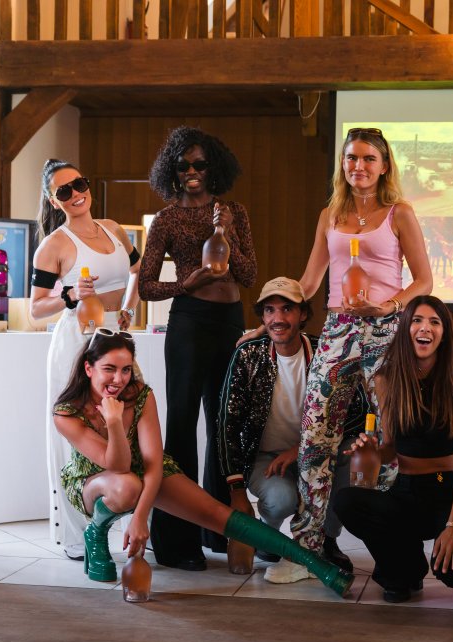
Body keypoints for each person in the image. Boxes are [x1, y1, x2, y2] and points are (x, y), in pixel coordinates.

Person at [243, 127, 433, 582]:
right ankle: (307, 552)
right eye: (351, 158)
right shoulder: (330, 214)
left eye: (368, 158)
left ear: (384, 166)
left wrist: (389, 306)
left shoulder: (400, 213)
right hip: (337, 331)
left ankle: (395, 552)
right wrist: (272, 315)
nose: (358, 166)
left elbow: (424, 280)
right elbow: (309, 283)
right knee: (315, 440)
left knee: (388, 441)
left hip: (386, 332)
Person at [52, 331, 353, 597]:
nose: (119, 380)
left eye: (126, 370)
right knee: (127, 485)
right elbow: (117, 465)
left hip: (144, 470)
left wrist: (141, 517)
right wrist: (114, 422)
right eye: (109, 369)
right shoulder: (67, 413)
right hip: (94, 480)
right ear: (89, 368)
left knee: (216, 513)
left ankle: (316, 565)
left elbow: (153, 463)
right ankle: (96, 531)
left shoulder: (140, 395)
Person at [139, 126, 257, 570]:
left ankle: (219, 529)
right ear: (171, 171)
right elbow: (146, 286)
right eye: (183, 164)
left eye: (200, 164)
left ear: (214, 168)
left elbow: (249, 274)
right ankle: (176, 541)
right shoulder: (167, 220)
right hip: (188, 322)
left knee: (224, 424)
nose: (191, 171)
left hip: (229, 321)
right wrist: (184, 285)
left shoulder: (234, 212)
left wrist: (226, 231)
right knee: (183, 425)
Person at [333, 295, 453, 603]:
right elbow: (391, 449)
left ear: (444, 333)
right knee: (347, 501)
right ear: (406, 328)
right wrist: (372, 452)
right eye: (417, 320)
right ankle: (405, 569)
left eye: (435, 322)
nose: (425, 328)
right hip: (406, 489)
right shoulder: (386, 378)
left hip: (447, 489)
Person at [30, 158, 141, 560]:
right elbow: (35, 309)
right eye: (64, 191)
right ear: (53, 200)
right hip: (77, 340)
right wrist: (70, 295)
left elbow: (138, 268)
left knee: (124, 424)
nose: (76, 194)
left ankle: (127, 523)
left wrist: (129, 306)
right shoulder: (54, 245)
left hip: (115, 336)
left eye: (80, 184)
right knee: (78, 431)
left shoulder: (113, 229)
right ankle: (78, 535)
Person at [218, 277, 366, 576]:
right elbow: (227, 423)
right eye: (269, 310)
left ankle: (327, 540)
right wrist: (236, 490)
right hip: (266, 457)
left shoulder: (326, 355)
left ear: (303, 314)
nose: (278, 318)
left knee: (354, 452)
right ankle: (268, 537)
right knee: (281, 500)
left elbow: (357, 411)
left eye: (287, 309)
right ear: (262, 317)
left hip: (317, 451)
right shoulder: (248, 355)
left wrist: (301, 449)